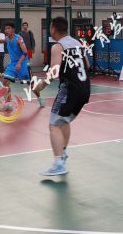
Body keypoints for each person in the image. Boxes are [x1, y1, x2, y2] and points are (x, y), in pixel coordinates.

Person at [33, 16, 91, 176]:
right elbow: (87, 64)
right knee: (63, 121)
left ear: (53, 28)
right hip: (85, 88)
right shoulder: (77, 43)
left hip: (70, 89)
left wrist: (40, 86)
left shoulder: (58, 46)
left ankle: (58, 164)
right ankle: (63, 153)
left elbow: (54, 72)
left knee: (54, 124)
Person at [1, 22, 32, 92]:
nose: (6, 30)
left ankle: (39, 97)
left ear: (13, 30)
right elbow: (3, 40)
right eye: (5, 29)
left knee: (30, 84)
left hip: (22, 62)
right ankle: (8, 99)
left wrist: (19, 63)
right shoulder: (7, 38)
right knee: (5, 81)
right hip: (12, 63)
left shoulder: (19, 39)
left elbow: (25, 52)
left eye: (8, 28)